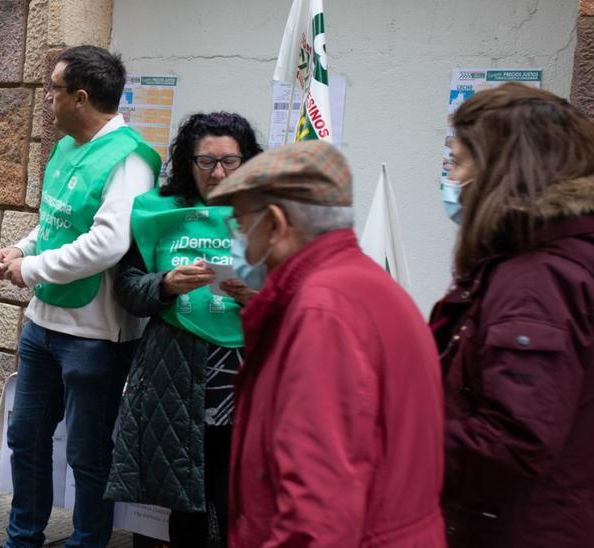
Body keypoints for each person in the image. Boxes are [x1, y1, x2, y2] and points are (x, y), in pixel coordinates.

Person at [209, 141, 445, 547]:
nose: (238, 243)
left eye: (240, 225)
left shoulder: (321, 311)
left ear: (276, 224)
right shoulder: (366, 286)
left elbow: (315, 512)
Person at [0, 45, 161, 547]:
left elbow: (106, 244)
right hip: (43, 326)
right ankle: (23, 538)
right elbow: (56, 222)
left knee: (87, 455)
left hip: (95, 337)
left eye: (54, 89)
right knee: (27, 441)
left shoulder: (130, 159)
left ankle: (88, 542)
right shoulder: (67, 147)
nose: (48, 99)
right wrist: (18, 248)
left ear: (80, 98)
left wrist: (30, 270)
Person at [432, 83, 594, 548]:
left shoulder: (536, 279)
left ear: (502, 169)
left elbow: (515, 438)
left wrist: (397, 436)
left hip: (516, 528)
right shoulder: (542, 261)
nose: (451, 177)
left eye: (459, 162)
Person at [104, 112, 261, 548]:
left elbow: (303, 299)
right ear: (188, 163)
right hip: (174, 380)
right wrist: (165, 284)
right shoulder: (160, 213)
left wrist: (260, 299)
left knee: (240, 504)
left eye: (230, 161)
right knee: (182, 505)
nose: (218, 172)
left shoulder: (269, 216)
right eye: (206, 161)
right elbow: (128, 288)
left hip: (246, 382)